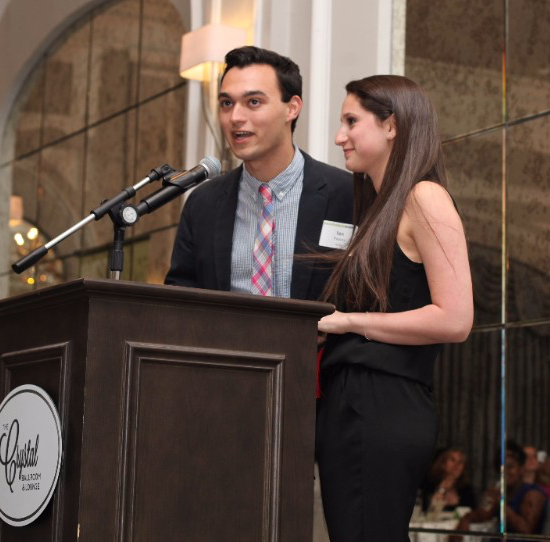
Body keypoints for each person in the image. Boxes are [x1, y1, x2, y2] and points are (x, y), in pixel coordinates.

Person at [314, 75, 473, 541]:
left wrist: (347, 322)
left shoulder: (425, 197)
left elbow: (456, 318)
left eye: (350, 121)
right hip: (357, 402)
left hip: (381, 404)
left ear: (392, 126)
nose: (340, 136)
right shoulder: (377, 207)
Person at [165, 46, 353, 301]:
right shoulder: (203, 203)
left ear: (292, 108)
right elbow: (180, 296)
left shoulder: (347, 195)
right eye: (226, 103)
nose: (235, 117)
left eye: (253, 102)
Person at [454, 440, 548, 540]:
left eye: (510, 466)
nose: (504, 472)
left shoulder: (533, 494)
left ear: (521, 469)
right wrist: (465, 520)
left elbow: (525, 531)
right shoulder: (503, 491)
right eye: (500, 467)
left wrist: (500, 502)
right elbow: (482, 514)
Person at [420, 447, 477, 514]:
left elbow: (472, 513)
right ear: (443, 463)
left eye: (460, 462)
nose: (456, 465)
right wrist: (441, 489)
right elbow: (425, 510)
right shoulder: (427, 483)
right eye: (452, 460)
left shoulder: (465, 488)